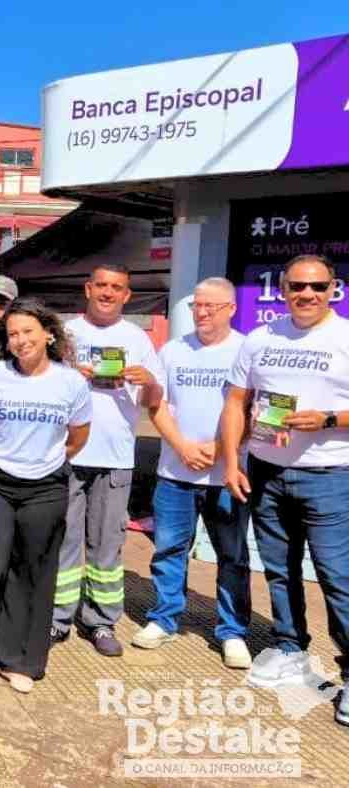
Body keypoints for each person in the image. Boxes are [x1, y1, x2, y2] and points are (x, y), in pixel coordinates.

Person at [219, 254, 349, 720]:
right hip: (266, 472)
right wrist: (231, 462)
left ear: (333, 288)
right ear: (284, 290)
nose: (307, 294)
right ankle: (290, 648)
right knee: (279, 570)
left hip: (331, 476)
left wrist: (328, 419)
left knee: (338, 579)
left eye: (317, 286)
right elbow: (236, 403)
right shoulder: (261, 338)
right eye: (297, 286)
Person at [0, 298, 91, 693]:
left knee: (31, 573)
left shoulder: (71, 383)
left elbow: (78, 435)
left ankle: (15, 658)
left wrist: (43, 460)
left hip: (45, 487)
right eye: (13, 333)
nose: (20, 340)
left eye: (28, 331)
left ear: (48, 334)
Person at [133, 278, 251, 668]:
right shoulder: (173, 350)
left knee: (232, 557)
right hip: (175, 473)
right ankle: (164, 619)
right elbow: (157, 406)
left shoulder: (245, 350)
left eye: (210, 306)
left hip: (226, 476)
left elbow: (252, 411)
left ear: (231, 309)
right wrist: (182, 446)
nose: (201, 312)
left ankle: (232, 632)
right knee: (169, 550)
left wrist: (221, 449)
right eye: (196, 305)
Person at [52, 263, 162, 657]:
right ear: (88, 288)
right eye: (101, 285)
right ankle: (57, 618)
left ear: (127, 295)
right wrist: (69, 375)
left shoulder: (137, 338)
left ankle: (100, 621)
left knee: (107, 547)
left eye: (116, 287)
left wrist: (148, 380)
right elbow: (41, 386)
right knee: (62, 541)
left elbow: (153, 399)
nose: (107, 292)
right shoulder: (64, 334)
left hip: (115, 457)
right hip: (67, 453)